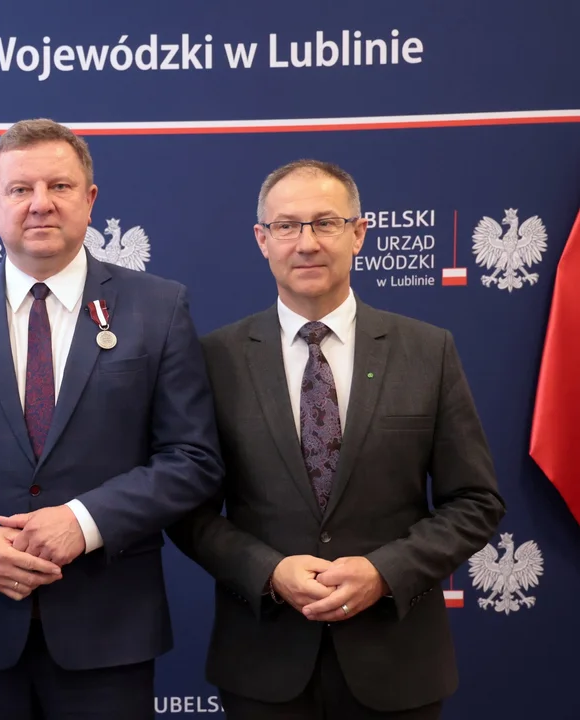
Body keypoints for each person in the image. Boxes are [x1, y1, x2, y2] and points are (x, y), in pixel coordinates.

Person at [0, 118, 223, 719]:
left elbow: (192, 459)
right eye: (20, 189)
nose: (40, 203)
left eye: (59, 186)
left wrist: (83, 522)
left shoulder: (159, 307)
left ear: (89, 200)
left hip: (110, 634)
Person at [168, 159, 505, 719]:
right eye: (286, 226)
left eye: (326, 223)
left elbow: (475, 501)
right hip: (263, 662)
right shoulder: (213, 359)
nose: (307, 243)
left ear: (359, 233)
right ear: (262, 240)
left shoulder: (428, 352)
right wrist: (269, 572)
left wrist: (384, 572)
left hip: (397, 663)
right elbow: (188, 510)